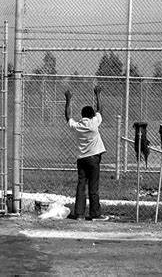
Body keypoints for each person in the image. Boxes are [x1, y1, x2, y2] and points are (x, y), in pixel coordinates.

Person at [65, 85, 108, 221]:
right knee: (93, 187)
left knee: (81, 185)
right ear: (91, 115)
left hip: (82, 159)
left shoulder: (77, 126)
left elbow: (68, 117)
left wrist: (68, 100)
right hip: (94, 158)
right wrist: (98, 94)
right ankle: (95, 214)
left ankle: (79, 214)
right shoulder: (94, 123)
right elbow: (100, 110)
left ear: (83, 115)